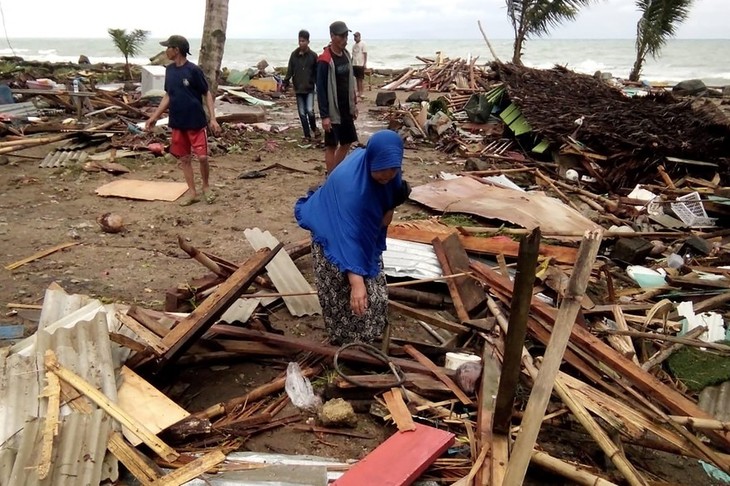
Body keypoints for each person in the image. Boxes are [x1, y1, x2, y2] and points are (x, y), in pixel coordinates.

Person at [295, 130, 411, 345]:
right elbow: (348, 239)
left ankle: (369, 336)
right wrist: (356, 283)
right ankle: (345, 343)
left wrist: (390, 205)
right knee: (343, 291)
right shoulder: (351, 189)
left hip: (361, 228)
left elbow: (387, 210)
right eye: (381, 173)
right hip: (332, 230)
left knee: (373, 286)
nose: (386, 177)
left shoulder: (390, 170)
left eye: (392, 172)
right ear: (371, 163)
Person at [146, 35, 221, 206]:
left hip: (196, 121)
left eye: (168, 47)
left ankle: (206, 187)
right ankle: (192, 192)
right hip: (178, 122)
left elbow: (206, 93)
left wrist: (213, 119)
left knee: (202, 157)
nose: (166, 51)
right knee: (185, 159)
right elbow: (168, 96)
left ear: (176, 50)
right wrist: (154, 117)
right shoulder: (169, 70)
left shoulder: (193, 70)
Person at [317, 21, 358, 174]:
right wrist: (324, 116)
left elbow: (350, 82)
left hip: (346, 108)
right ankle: (331, 178)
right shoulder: (325, 60)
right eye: (342, 36)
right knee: (332, 145)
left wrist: (354, 104)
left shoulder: (347, 55)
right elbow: (320, 89)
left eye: (346, 35)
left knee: (347, 142)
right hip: (332, 111)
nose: (345, 39)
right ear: (332, 36)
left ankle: (334, 173)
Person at [283, 29, 321, 142]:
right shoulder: (294, 55)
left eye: (303, 41)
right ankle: (307, 135)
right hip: (298, 88)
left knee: (310, 110)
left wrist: (318, 84)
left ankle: (314, 128)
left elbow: (317, 72)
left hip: (309, 88)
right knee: (302, 113)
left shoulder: (313, 56)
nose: (301, 43)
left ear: (308, 41)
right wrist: (285, 82)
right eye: (299, 41)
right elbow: (290, 70)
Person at [351, 31, 368, 99]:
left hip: (360, 63)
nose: (355, 38)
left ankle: (362, 92)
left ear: (359, 37)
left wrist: (365, 63)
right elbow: (353, 55)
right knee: (357, 78)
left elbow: (365, 54)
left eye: (356, 36)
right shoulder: (354, 45)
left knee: (360, 79)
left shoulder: (363, 44)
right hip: (354, 64)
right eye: (354, 36)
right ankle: (358, 91)